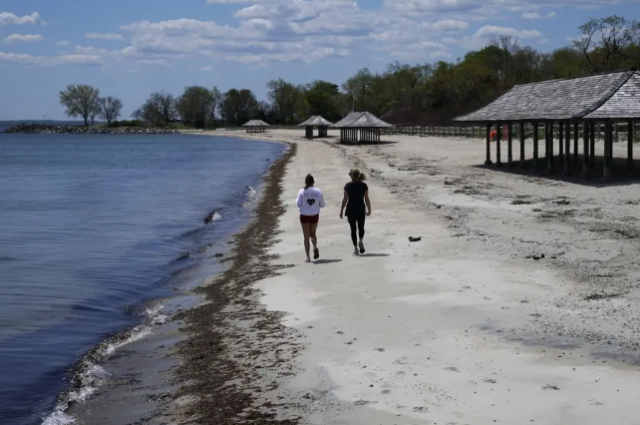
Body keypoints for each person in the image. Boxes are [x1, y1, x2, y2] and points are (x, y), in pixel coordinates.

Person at [340, 168, 371, 255]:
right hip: (361, 208)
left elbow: (345, 199)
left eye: (350, 174)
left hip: (351, 210)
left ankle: (355, 249)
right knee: (361, 227)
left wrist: (341, 210)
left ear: (352, 175)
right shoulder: (364, 185)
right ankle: (360, 241)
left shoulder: (348, 186)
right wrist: (369, 209)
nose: (349, 176)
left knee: (353, 229)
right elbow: (367, 199)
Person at [296, 174, 325, 262]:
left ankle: (307, 257)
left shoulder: (302, 191)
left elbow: (298, 204)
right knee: (313, 234)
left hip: (304, 216)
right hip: (314, 215)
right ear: (313, 182)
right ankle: (315, 247)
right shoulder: (318, 191)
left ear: (305, 182)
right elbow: (322, 205)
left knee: (306, 237)